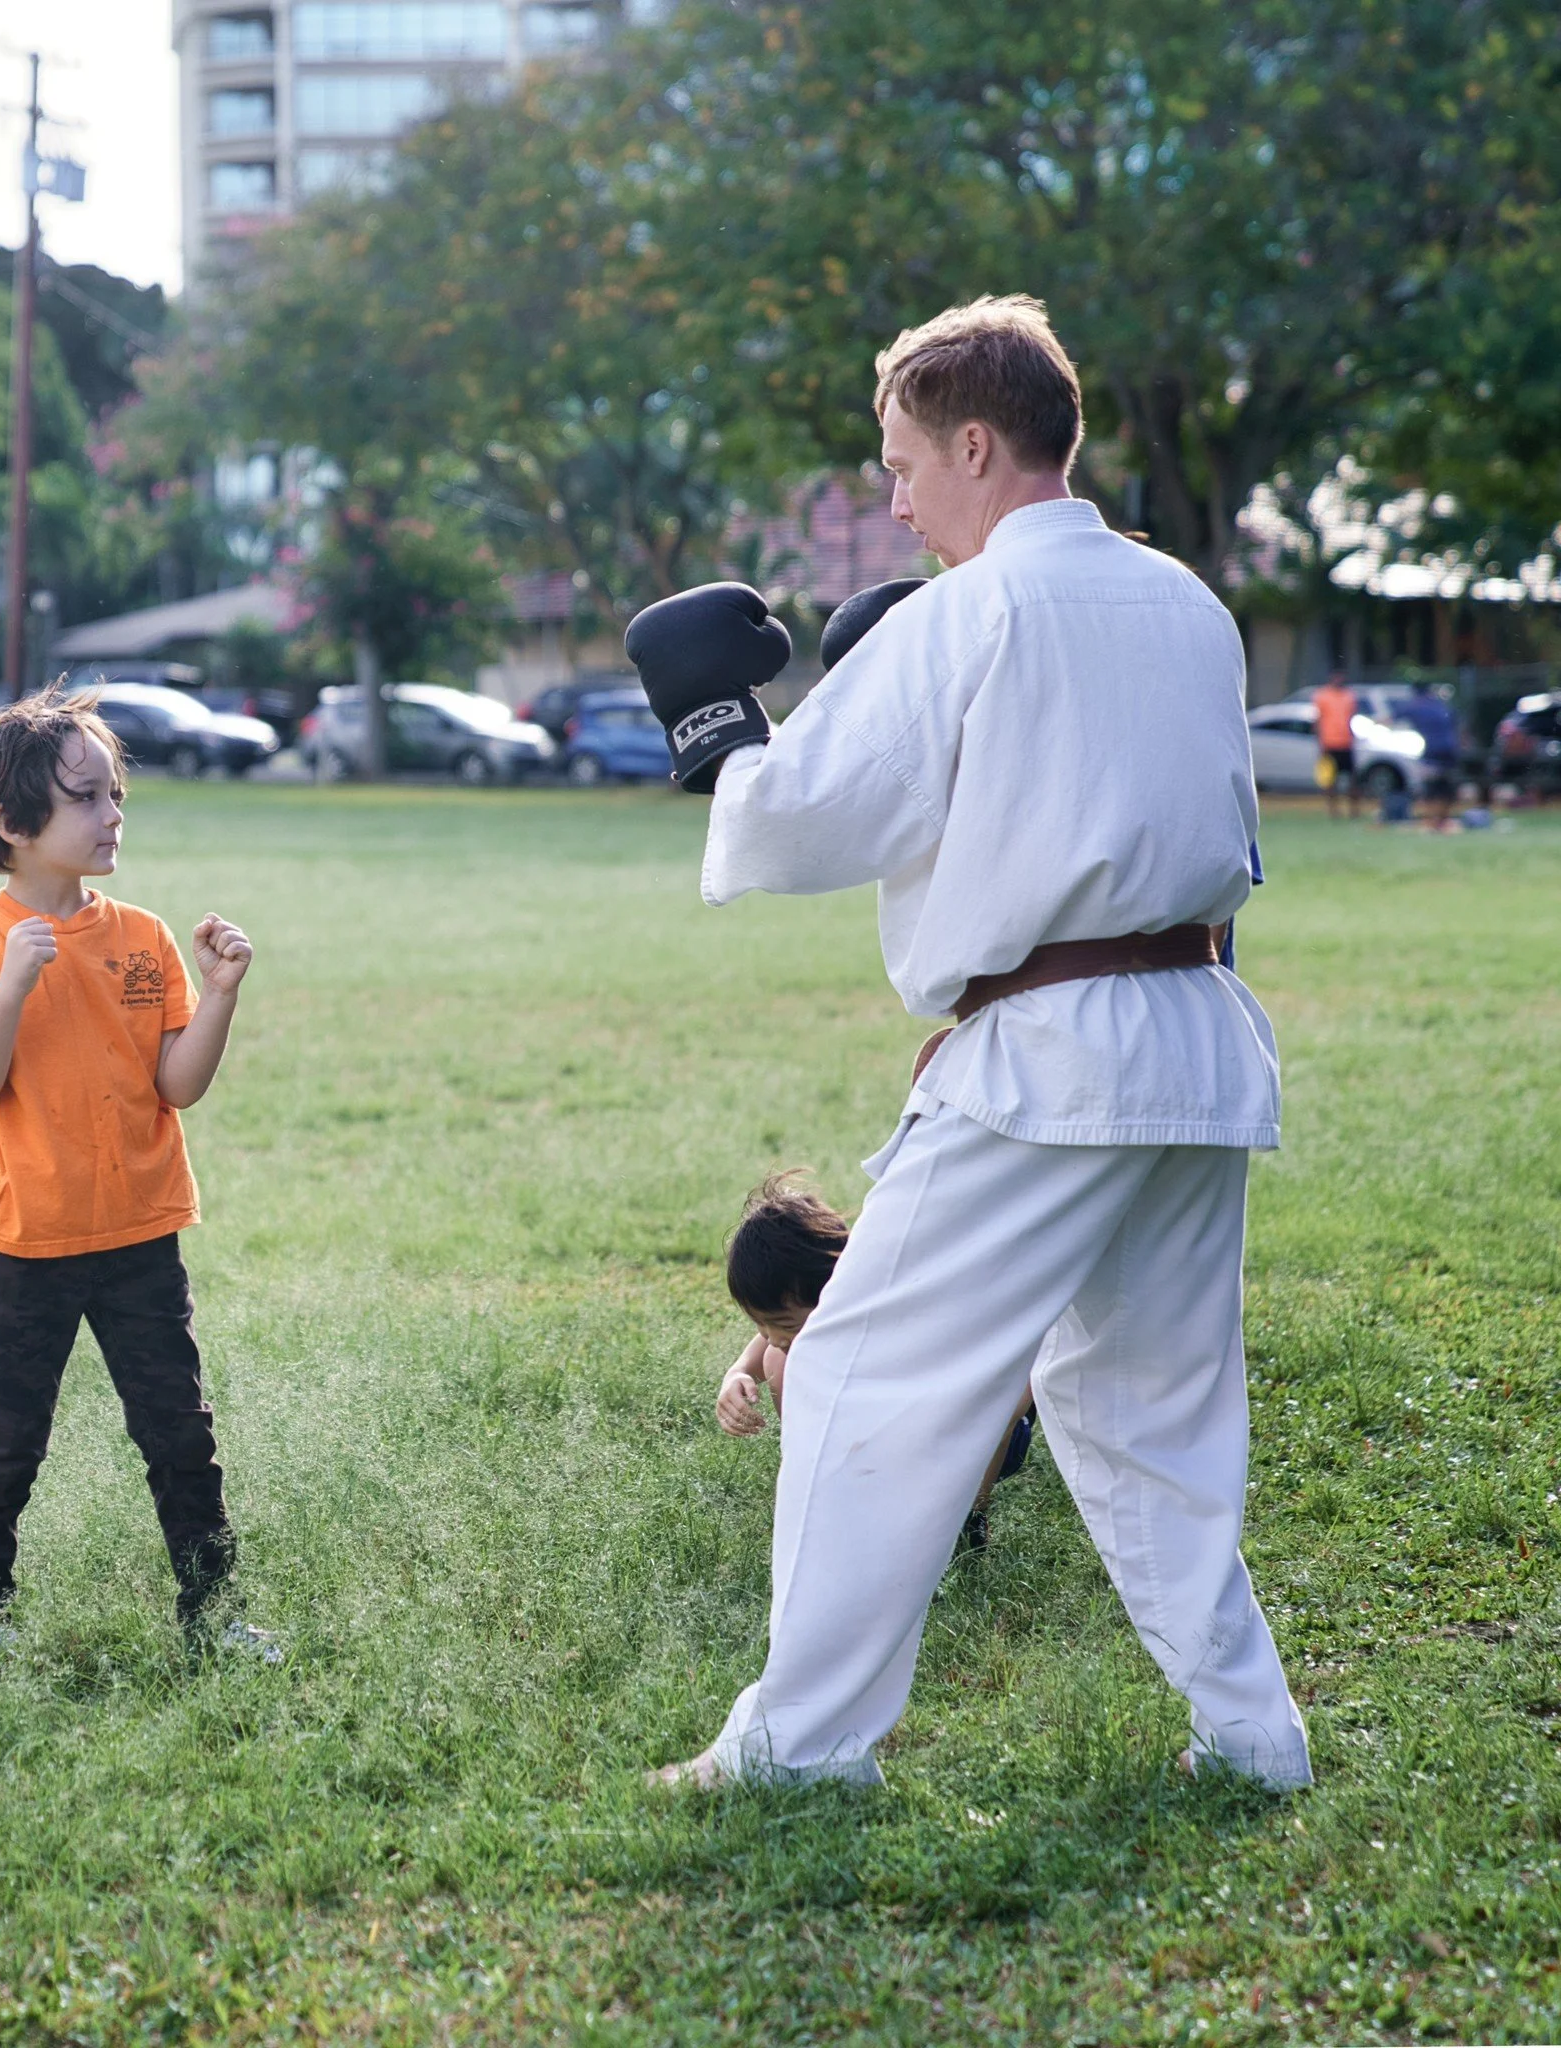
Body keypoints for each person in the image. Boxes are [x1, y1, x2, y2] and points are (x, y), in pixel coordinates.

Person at [626, 294, 1310, 1792]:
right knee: (1156, 1411)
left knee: (861, 1374)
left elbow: (806, 816)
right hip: (1196, 1041)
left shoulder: (976, 608)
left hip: (1049, 1057)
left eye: (902, 463)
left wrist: (721, 743)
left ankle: (800, 1752)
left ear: (979, 443)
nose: (895, 499)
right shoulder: (1192, 604)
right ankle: (1255, 1741)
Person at [0, 689, 267, 1666]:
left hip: (138, 1234)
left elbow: (175, 1086)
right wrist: (14, 984)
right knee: (4, 1447)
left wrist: (220, 999)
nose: (112, 816)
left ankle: (215, 1619)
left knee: (180, 1439)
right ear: (11, 822)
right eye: (85, 798)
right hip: (25, 1240)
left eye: (116, 795)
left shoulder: (143, 936)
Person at [715, 1174, 1035, 1551]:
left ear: (839, 1292)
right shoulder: (789, 1335)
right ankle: (824, 1490)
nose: (774, 1336)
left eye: (786, 1325)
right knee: (779, 1361)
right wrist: (737, 1372)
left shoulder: (898, 1306)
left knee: (993, 1401)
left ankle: (966, 1524)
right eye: (760, 1324)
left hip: (963, 1442)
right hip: (879, 1443)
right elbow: (771, 1342)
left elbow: (1010, 1380)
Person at [1401, 678, 1463, 828]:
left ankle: (1432, 821)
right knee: (1446, 785)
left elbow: (1392, 717)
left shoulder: (1416, 705)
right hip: (1450, 748)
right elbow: (1456, 722)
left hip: (1432, 750)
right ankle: (1444, 819)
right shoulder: (1440, 704)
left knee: (1430, 786)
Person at [1313, 670, 1359, 818]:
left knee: (1352, 779)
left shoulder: (1349, 696)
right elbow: (1318, 720)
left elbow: (1352, 718)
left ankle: (1353, 811)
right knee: (1330, 780)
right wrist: (1320, 741)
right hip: (1329, 743)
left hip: (1346, 743)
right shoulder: (1322, 696)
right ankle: (1333, 811)